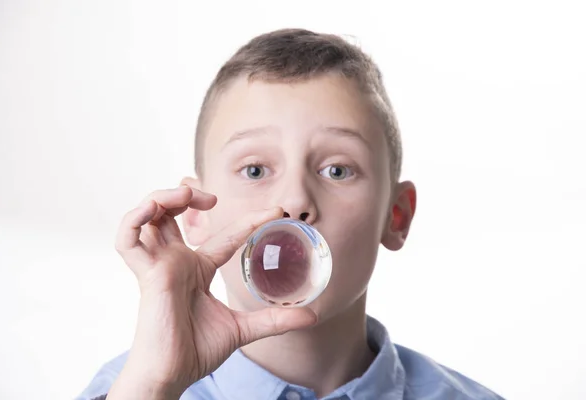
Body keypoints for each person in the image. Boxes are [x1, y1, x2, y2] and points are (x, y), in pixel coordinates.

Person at [77, 28, 504, 400]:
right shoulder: (130, 389)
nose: (295, 200)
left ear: (396, 216)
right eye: (255, 170)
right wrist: (153, 388)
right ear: (194, 215)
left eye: (337, 170)